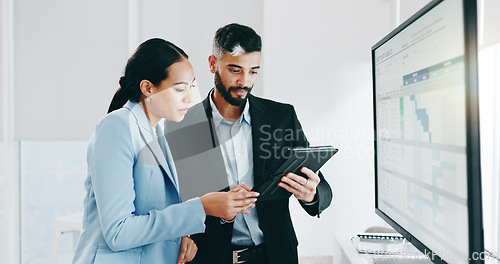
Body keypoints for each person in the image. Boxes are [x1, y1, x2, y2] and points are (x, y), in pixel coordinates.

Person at [72, 38, 259, 264]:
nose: (190, 98)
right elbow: (118, 233)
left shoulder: (158, 132)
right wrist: (201, 207)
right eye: (180, 89)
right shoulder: (117, 126)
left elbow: (152, 210)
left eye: (191, 87)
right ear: (148, 88)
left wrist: (179, 237)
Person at [165, 24, 333, 264]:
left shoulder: (281, 117)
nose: (244, 81)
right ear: (213, 64)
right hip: (209, 257)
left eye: (253, 71)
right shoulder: (182, 124)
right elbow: (174, 200)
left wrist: (312, 194)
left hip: (274, 256)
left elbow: (321, 186)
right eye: (235, 70)